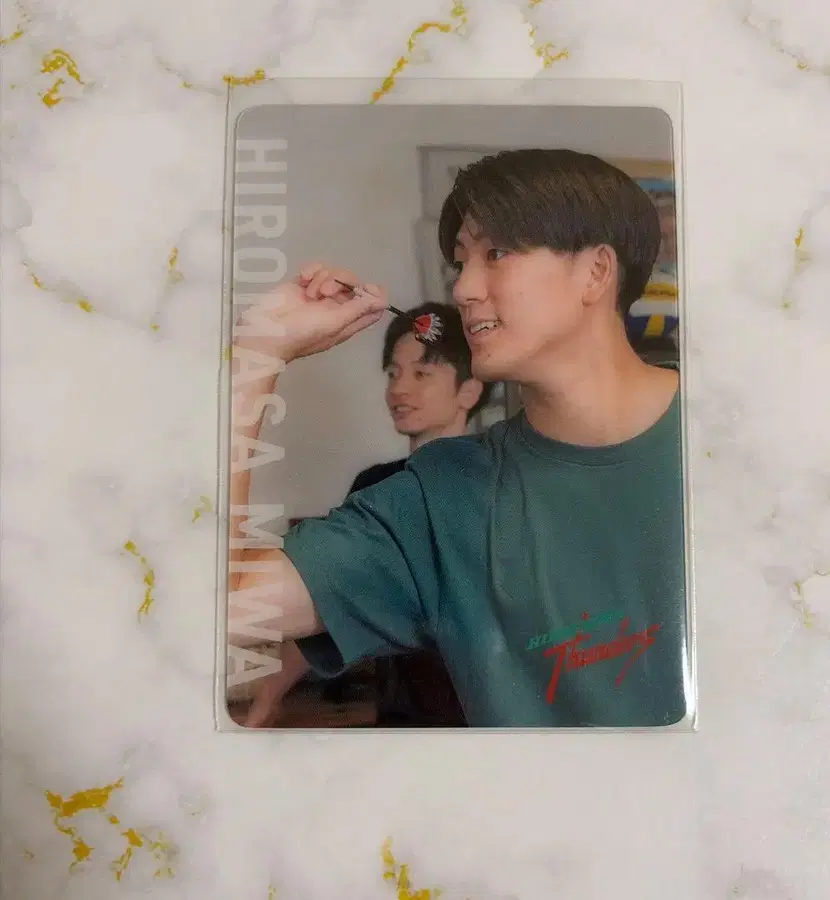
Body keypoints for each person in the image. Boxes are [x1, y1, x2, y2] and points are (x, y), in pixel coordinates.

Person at [229, 148, 688, 728]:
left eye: (496, 253)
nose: (464, 289)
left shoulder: (736, 434)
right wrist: (257, 352)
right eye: (460, 263)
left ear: (596, 272)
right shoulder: (441, 498)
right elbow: (227, 604)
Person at [327, 304, 492, 726]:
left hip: (482, 721)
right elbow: (330, 593)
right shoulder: (373, 486)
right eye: (393, 373)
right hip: (399, 719)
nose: (399, 389)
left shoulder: (496, 484)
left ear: (469, 391)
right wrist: (267, 697)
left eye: (421, 374)